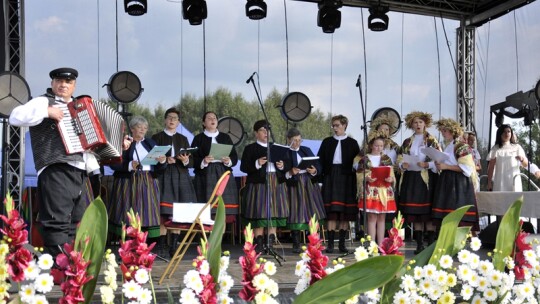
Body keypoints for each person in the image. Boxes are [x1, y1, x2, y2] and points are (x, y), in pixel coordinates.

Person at [9, 67, 88, 259]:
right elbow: (15, 116)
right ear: (52, 83)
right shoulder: (42, 101)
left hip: (79, 169)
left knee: (75, 221)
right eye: (59, 81)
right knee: (56, 222)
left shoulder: (81, 107)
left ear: (74, 85)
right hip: (54, 167)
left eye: (68, 82)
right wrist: (46, 112)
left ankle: (66, 268)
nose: (63, 85)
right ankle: (60, 265)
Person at [108, 116, 166, 243]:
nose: (142, 130)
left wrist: (162, 161)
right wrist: (129, 165)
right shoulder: (123, 142)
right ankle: (127, 244)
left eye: (145, 128)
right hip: (127, 182)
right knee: (127, 212)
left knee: (147, 213)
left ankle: (145, 246)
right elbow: (112, 163)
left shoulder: (151, 143)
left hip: (148, 181)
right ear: (132, 128)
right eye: (139, 127)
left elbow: (160, 168)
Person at [151, 107, 197, 257]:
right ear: (165, 120)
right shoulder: (156, 137)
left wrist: (185, 160)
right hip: (163, 175)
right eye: (169, 117)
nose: (172, 120)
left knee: (178, 211)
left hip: (180, 176)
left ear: (178, 122)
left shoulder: (183, 139)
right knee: (163, 212)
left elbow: (191, 161)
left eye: (175, 118)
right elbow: (151, 159)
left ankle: (174, 245)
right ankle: (162, 245)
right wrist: (164, 160)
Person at [240, 120, 288, 254]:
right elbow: (244, 167)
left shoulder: (276, 147)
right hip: (258, 184)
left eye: (268, 130)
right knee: (259, 214)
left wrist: (281, 166)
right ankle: (259, 244)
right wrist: (257, 163)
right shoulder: (250, 148)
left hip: (276, 182)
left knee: (274, 213)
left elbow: (287, 164)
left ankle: (270, 244)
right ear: (256, 133)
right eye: (262, 130)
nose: (266, 132)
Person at [398, 111, 440, 254]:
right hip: (412, 178)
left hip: (426, 178)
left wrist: (427, 165)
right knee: (416, 213)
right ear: (411, 124)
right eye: (415, 122)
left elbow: (439, 159)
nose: (418, 125)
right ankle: (419, 244)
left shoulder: (432, 140)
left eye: (420, 122)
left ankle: (431, 243)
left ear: (425, 124)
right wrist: (402, 165)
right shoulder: (407, 142)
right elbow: (400, 158)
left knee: (427, 212)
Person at [317, 115, 360, 253]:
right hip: (330, 176)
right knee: (331, 212)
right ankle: (330, 244)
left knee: (345, 213)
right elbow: (320, 161)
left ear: (344, 125)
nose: (335, 128)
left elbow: (357, 162)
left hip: (347, 178)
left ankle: (342, 243)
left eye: (337, 125)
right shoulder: (327, 142)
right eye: (333, 125)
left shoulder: (352, 143)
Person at [283, 128, 326, 253]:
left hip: (308, 183)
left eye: (299, 140)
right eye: (294, 140)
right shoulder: (285, 153)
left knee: (312, 210)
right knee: (295, 210)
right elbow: (281, 171)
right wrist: (290, 171)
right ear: (288, 140)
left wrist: (314, 170)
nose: (297, 143)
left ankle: (313, 241)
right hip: (294, 184)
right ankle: (296, 242)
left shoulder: (306, 150)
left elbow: (317, 164)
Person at [432, 118, 478, 228]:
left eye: (445, 130)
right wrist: (439, 164)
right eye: (442, 131)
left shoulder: (462, 146)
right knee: (447, 213)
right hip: (447, 181)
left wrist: (446, 166)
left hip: (458, 183)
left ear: (453, 131)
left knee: (457, 212)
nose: (443, 133)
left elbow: (467, 169)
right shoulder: (449, 146)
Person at [191, 111, 239, 218]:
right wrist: (204, 161)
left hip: (223, 173)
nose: (212, 120)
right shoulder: (198, 138)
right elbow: (192, 160)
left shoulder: (225, 137)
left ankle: (221, 234)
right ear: (203, 123)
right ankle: (208, 234)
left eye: (214, 118)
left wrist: (228, 161)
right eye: (209, 118)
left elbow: (234, 157)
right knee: (207, 210)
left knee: (223, 211)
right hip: (205, 175)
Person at [353, 131, 396, 245]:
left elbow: (392, 174)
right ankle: (372, 244)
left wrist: (391, 179)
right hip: (371, 190)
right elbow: (359, 174)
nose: (378, 148)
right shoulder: (365, 159)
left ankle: (381, 244)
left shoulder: (386, 159)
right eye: (376, 145)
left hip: (384, 190)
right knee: (371, 218)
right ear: (371, 145)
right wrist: (366, 178)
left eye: (381, 146)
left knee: (382, 218)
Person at [487, 124, 528, 192]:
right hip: (500, 182)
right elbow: (491, 167)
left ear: (511, 133)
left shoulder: (517, 147)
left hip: (514, 181)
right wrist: (489, 182)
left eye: (508, 131)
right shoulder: (495, 148)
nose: (507, 133)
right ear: (500, 134)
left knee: (515, 201)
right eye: (504, 132)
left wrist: (522, 159)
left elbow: (526, 165)